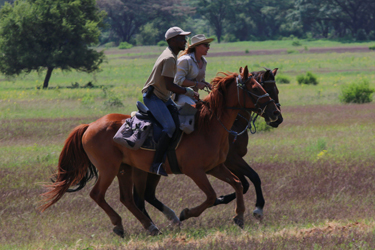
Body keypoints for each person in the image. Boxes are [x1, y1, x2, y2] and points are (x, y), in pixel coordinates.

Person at [141, 27, 195, 176]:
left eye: (184, 38)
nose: (185, 41)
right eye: (181, 38)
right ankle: (156, 164)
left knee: (180, 121)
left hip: (163, 97)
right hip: (154, 98)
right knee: (170, 127)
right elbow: (169, 85)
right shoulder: (170, 58)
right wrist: (187, 91)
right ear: (172, 40)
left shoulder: (171, 55)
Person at [174, 34, 214, 106]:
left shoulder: (204, 61)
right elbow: (179, 80)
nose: (208, 48)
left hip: (194, 96)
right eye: (205, 45)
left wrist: (207, 84)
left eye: (208, 45)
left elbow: (199, 80)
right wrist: (197, 84)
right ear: (197, 46)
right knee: (195, 110)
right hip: (180, 96)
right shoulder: (185, 60)